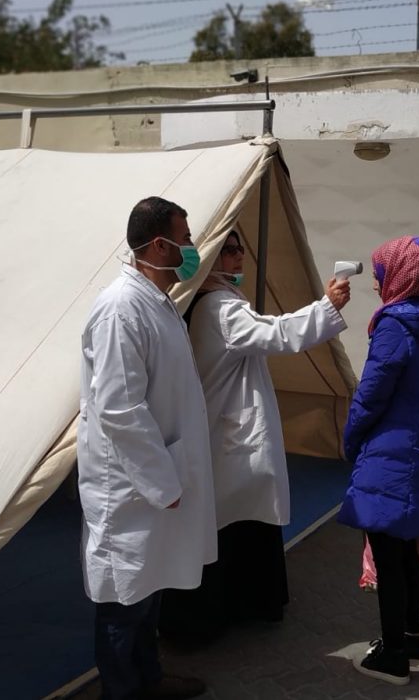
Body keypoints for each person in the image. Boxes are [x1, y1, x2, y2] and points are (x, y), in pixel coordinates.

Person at [159, 229, 351, 639]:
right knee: (235, 524)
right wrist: (326, 307)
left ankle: (239, 607)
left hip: (224, 428)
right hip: (229, 435)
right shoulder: (220, 307)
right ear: (209, 260)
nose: (237, 257)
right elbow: (276, 333)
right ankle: (222, 614)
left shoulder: (208, 303)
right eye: (227, 251)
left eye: (239, 248)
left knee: (237, 522)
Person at [77, 196, 214, 700]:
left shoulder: (157, 304)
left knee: (148, 590)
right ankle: (123, 691)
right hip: (131, 488)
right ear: (160, 244)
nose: (192, 247)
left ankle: (149, 680)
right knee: (123, 601)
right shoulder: (120, 309)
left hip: (158, 480)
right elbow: (119, 409)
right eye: (186, 237)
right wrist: (161, 482)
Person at [338, 236, 419, 686]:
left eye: (382, 272)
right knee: (405, 549)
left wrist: (350, 437)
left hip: (391, 448)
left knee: (387, 554)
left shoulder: (394, 325)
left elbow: (372, 391)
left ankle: (392, 656)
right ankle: (415, 639)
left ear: (402, 274)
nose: (377, 282)